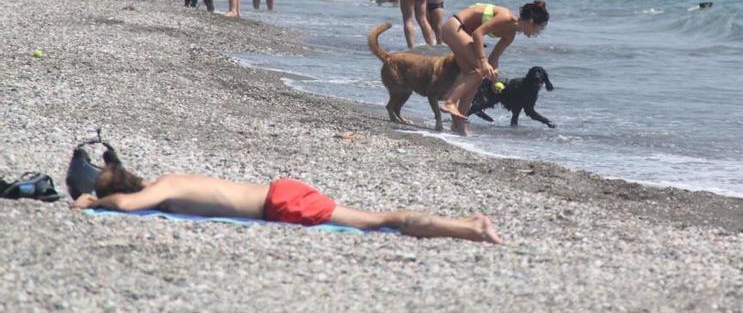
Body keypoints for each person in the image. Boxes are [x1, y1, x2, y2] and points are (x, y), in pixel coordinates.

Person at [70, 162, 502, 245]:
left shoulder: (156, 194)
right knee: (374, 219)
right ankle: (465, 220)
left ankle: (469, 229)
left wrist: (94, 204)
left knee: (379, 221)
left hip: (280, 205)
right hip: (280, 190)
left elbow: (128, 207)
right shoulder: (169, 178)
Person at [440, 1, 550, 136]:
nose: (539, 32)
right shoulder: (506, 16)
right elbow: (478, 33)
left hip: (462, 34)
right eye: (540, 28)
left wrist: (494, 76)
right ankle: (449, 102)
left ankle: (458, 125)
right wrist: (483, 61)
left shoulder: (510, 35)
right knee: (479, 71)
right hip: (454, 27)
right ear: (531, 21)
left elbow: (493, 59)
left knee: (475, 79)